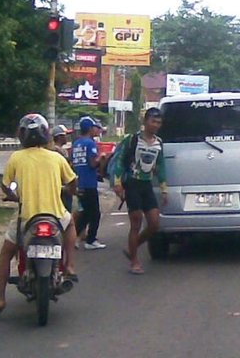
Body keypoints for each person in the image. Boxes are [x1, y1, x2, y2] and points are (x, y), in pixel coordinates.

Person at [0, 113, 78, 319]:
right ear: (45, 134)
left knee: (5, 255)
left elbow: (6, 186)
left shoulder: (16, 158)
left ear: (22, 135)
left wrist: (13, 196)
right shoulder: (56, 157)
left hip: (26, 218)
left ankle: (0, 298)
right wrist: (70, 191)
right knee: (71, 223)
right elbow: (72, 182)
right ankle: (70, 265)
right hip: (55, 216)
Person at [113, 108, 168, 274]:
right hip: (132, 184)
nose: (156, 125)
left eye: (159, 122)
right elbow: (120, 161)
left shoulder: (159, 143)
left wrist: (164, 188)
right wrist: (117, 183)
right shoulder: (132, 139)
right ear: (145, 122)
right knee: (136, 222)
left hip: (147, 184)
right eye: (153, 121)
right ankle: (134, 261)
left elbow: (160, 166)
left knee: (154, 223)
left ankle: (133, 247)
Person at [72, 116, 107, 250]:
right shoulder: (90, 143)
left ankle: (73, 237)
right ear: (90, 129)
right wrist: (101, 158)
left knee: (85, 213)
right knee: (95, 214)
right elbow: (93, 164)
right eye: (94, 127)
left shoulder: (76, 144)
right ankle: (91, 240)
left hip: (79, 182)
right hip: (89, 183)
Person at [52, 125, 74, 212]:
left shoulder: (61, 150)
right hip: (62, 187)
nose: (67, 137)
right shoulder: (57, 151)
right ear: (59, 137)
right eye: (65, 135)